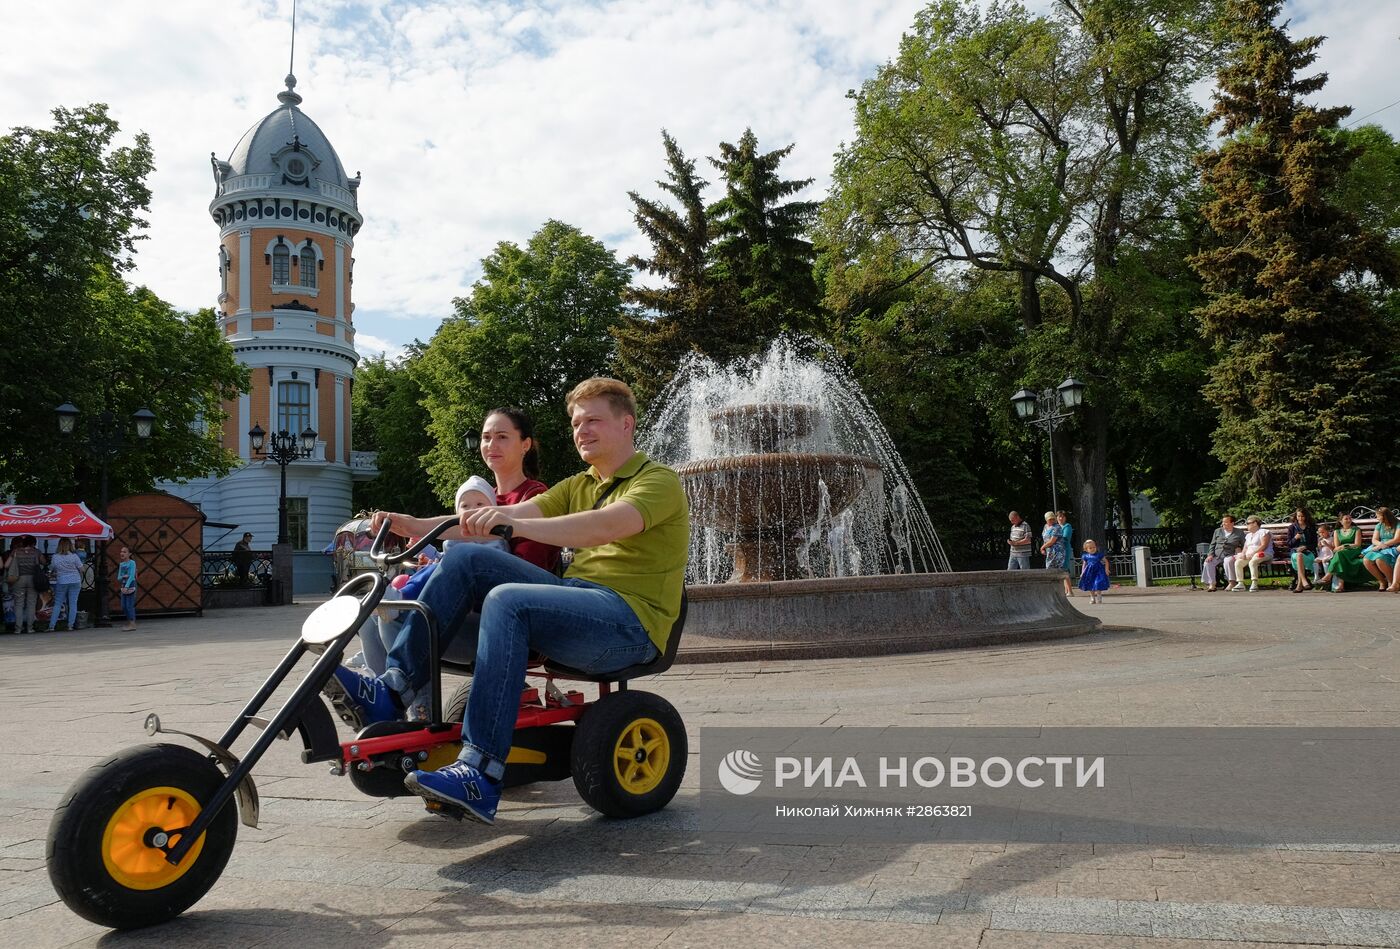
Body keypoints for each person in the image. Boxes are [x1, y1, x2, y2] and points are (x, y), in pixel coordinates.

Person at [328, 378, 688, 824]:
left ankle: (479, 771)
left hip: (629, 622)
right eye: (576, 423)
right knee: (467, 559)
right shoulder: (579, 484)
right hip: (580, 602)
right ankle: (394, 688)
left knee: (507, 599)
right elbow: (495, 519)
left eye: (593, 420)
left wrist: (511, 525)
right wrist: (413, 524)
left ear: (627, 423)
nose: (582, 431)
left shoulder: (659, 480)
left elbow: (603, 527)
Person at [1318, 512, 1367, 591]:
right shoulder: (1337, 531)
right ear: (1341, 521)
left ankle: (1328, 576)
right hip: (1341, 551)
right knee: (1340, 555)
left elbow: (1357, 544)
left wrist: (1345, 546)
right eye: (1346, 519)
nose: (1348, 520)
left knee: (1340, 554)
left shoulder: (1356, 529)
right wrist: (1341, 547)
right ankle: (1341, 586)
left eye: (1350, 518)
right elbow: (1336, 547)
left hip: (1353, 550)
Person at [6, 536, 41, 634]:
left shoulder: (16, 551)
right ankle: (30, 628)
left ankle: (18, 628)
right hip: (32, 579)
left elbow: (6, 565)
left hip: (18, 579)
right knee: (31, 604)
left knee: (18, 604)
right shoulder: (35, 552)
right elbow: (41, 563)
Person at [1201, 514, 1245, 591]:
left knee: (1227, 561)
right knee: (1208, 562)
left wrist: (1240, 550)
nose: (1223, 524)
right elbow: (1212, 544)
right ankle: (1212, 584)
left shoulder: (1239, 532)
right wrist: (1210, 555)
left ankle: (1232, 582)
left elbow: (1245, 544)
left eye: (1225, 522)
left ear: (1232, 523)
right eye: (1223, 522)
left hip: (1231, 554)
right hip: (1217, 555)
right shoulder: (1217, 531)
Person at [47, 539, 83, 631]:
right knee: (73, 603)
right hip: (75, 580)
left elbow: (51, 569)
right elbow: (81, 569)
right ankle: (70, 625)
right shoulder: (74, 556)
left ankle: (52, 626)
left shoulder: (55, 557)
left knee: (58, 603)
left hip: (62, 581)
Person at [1231, 516, 1273, 591]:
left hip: (1264, 553)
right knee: (1238, 562)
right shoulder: (1248, 535)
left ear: (1255, 523)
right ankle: (1240, 583)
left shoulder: (1264, 532)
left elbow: (1264, 545)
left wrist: (1253, 553)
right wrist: (1243, 554)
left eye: (1248, 523)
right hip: (1249, 555)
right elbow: (1245, 548)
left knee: (1252, 562)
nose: (1246, 525)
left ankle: (1254, 583)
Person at [1362, 506, 1400, 590]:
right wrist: (1380, 545)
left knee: (1380, 560)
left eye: (1378, 516)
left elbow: (1397, 539)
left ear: (1385, 516)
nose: (1377, 518)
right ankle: (1382, 581)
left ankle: (1392, 582)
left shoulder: (1397, 524)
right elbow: (1374, 540)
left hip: (1393, 546)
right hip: (1381, 546)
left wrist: (1383, 545)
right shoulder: (1379, 525)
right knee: (1366, 560)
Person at [1286, 507, 1318, 592]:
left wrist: (1305, 547)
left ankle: (1299, 585)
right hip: (1295, 553)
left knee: (1300, 556)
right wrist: (1295, 538)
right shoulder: (1292, 528)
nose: (1300, 518)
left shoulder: (1310, 527)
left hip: (1308, 553)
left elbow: (1314, 544)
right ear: (1296, 516)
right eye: (1299, 516)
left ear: (1306, 516)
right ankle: (1304, 580)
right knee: (1299, 555)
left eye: (1302, 516)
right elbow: (1289, 544)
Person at [1077, 539, 1110, 604]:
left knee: (1098, 583)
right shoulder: (1086, 556)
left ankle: (1099, 596)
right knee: (1090, 584)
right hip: (1089, 572)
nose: (1093, 549)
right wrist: (1082, 572)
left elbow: (1106, 561)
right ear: (1086, 549)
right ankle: (1092, 597)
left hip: (1098, 571)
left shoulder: (1099, 555)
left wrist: (1106, 569)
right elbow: (1084, 564)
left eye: (1094, 547)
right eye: (1090, 548)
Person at [117, 545, 138, 631]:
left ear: (129, 554)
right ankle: (129, 622)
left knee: (129, 605)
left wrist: (127, 586)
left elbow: (132, 576)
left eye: (124, 552)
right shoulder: (121, 564)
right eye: (121, 552)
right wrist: (123, 577)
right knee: (123, 606)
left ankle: (132, 624)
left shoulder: (132, 563)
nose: (122, 553)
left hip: (131, 584)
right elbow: (118, 577)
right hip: (123, 584)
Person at [1054, 511, 1074, 596]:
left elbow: (1065, 538)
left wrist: (1053, 539)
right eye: (1059, 517)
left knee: (1065, 569)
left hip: (1065, 550)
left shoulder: (1067, 526)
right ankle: (1066, 590)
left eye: (1062, 517)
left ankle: (1070, 591)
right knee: (1061, 569)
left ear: (1065, 518)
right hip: (1057, 551)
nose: (1060, 518)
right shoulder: (1056, 526)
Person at [1313, 523, 1334, 588]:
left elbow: (1333, 548)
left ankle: (1326, 576)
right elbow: (1319, 550)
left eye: (1323, 532)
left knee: (1324, 561)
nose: (1321, 534)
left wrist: (1326, 544)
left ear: (1327, 531)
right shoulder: (1320, 539)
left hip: (1329, 554)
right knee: (1315, 561)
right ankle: (1316, 576)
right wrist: (1319, 546)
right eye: (1319, 533)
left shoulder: (1331, 538)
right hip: (1322, 555)